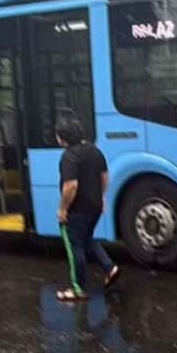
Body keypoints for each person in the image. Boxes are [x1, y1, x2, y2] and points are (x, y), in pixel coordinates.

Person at [55, 109, 120, 301]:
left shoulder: (69, 156)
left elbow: (70, 186)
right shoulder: (94, 150)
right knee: (87, 239)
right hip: (95, 206)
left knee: (75, 246)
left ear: (62, 138)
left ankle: (77, 288)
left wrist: (63, 209)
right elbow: (105, 177)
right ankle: (110, 268)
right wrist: (101, 197)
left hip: (77, 209)